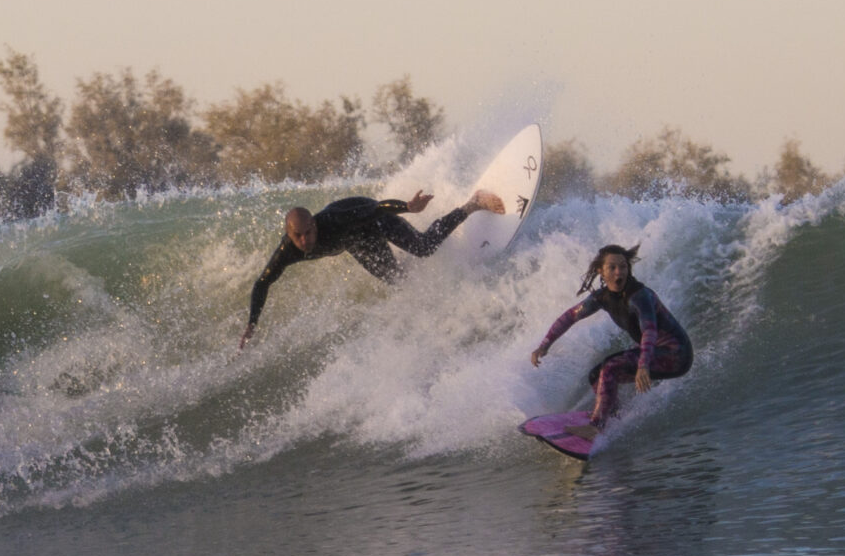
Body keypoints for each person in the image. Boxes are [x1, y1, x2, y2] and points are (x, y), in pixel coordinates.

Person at [238, 188, 506, 347]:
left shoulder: (334, 220)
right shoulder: (288, 251)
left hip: (368, 218)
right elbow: (263, 282)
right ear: (289, 234)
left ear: (315, 225)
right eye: (299, 236)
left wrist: (408, 207)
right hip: (357, 242)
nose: (305, 240)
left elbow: (378, 209)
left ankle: (473, 203)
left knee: (423, 247)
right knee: (399, 280)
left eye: (309, 232)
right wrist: (252, 322)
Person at [528, 243, 692, 439]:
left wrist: (643, 365)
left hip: (675, 354)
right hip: (656, 352)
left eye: (623, 267)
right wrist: (544, 345)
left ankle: (595, 427)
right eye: (612, 267)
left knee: (610, 368)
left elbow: (650, 330)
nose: (618, 272)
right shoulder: (602, 297)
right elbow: (570, 316)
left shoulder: (639, 296)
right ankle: (612, 418)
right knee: (596, 376)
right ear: (601, 271)